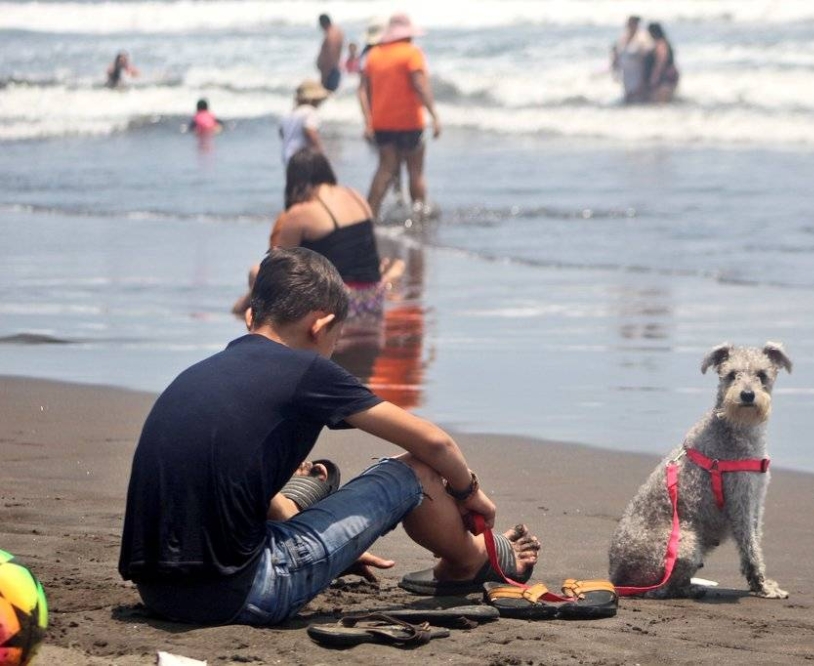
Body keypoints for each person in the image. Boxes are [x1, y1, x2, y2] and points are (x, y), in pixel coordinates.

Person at [120, 246, 540, 625]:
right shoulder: (306, 371)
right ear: (321, 325)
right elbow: (434, 443)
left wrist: (341, 549)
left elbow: (227, 479)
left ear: (252, 316)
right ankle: (468, 562)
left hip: (159, 592)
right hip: (243, 591)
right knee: (412, 471)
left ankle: (305, 500)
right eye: (336, 340)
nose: (333, 351)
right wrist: (469, 493)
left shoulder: (199, 375)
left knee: (280, 482)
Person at [231, 147, 405, 344]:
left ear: (296, 181)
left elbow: (275, 273)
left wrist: (248, 296)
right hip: (373, 300)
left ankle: (246, 317)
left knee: (257, 273)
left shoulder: (301, 212)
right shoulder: (355, 196)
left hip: (337, 307)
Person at [359, 13, 441, 220]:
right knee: (415, 171)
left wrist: (368, 120)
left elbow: (363, 90)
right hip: (409, 122)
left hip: (381, 124)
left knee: (385, 169)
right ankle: (418, 216)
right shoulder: (411, 53)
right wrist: (434, 115)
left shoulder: (374, 55)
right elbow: (420, 85)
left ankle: (370, 215)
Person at [279, 80, 328, 165]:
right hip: (304, 157)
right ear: (313, 100)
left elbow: (282, 133)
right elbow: (310, 131)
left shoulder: (289, 114)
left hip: (287, 156)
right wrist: (320, 151)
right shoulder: (310, 111)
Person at [610, 16, 651, 104]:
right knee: (628, 94)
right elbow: (616, 51)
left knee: (637, 97)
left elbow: (647, 56)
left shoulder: (643, 37)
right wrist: (614, 66)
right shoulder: (624, 37)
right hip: (626, 71)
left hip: (638, 70)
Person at [645, 23, 680, 104]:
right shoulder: (661, 43)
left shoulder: (660, 44)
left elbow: (661, 60)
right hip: (667, 75)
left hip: (664, 76)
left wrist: (655, 76)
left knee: (661, 100)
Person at [317, 13, 345, 92]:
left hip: (330, 71)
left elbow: (331, 56)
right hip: (334, 69)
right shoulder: (338, 31)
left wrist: (325, 75)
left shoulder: (331, 35)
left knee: (328, 96)